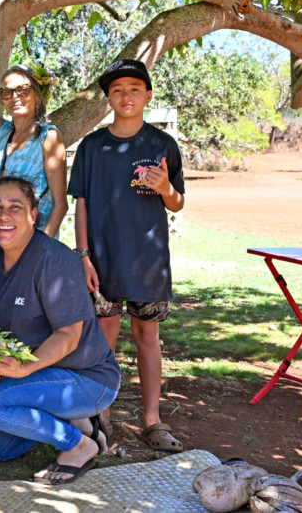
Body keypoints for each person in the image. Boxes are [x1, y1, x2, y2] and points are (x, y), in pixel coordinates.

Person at [67, 59, 186, 453]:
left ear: (148, 95)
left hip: (148, 262)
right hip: (101, 262)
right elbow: (80, 204)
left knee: (147, 336)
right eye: (117, 90)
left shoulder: (161, 145)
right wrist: (83, 256)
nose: (126, 96)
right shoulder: (92, 146)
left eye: (135, 88)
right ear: (108, 99)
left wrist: (166, 187)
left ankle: (151, 420)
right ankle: (103, 417)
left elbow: (178, 203)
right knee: (103, 339)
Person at [0, 176, 120, 485]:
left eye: (15, 207)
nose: (4, 216)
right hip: (37, 374)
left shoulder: (54, 260)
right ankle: (74, 421)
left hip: (86, 376)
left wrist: (25, 367)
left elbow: (68, 336)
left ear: (33, 213)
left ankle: (79, 445)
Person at [0, 64, 68, 248]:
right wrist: (6, 96)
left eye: (23, 90)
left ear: (37, 98)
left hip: (34, 245)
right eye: (8, 92)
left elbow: (60, 205)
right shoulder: (3, 132)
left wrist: (41, 251)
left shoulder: (48, 137)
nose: (15, 97)